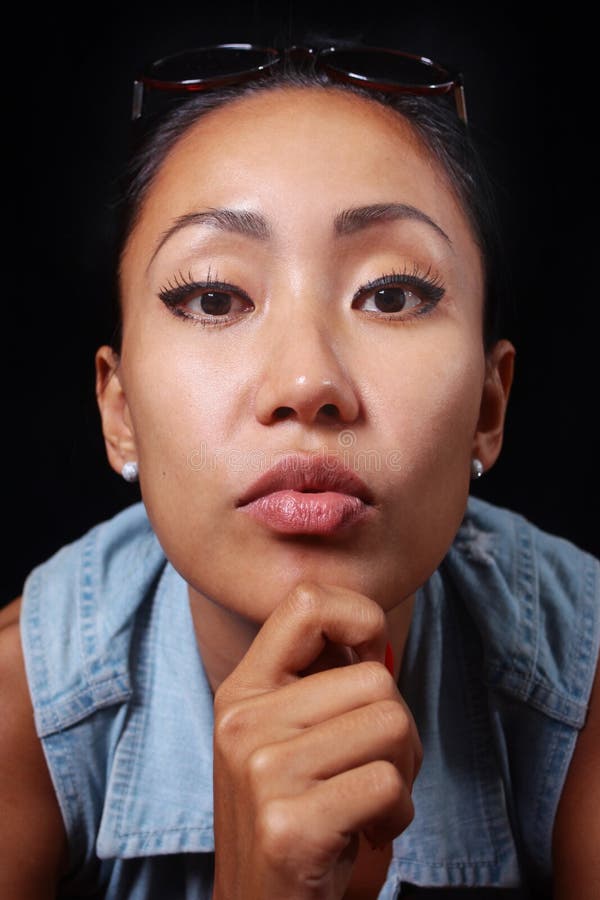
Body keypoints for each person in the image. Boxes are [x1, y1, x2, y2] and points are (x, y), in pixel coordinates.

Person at [0, 42, 598, 900]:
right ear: (119, 409)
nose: (307, 383)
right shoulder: (21, 711)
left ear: (488, 409)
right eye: (214, 297)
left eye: (391, 294)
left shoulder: (584, 676)